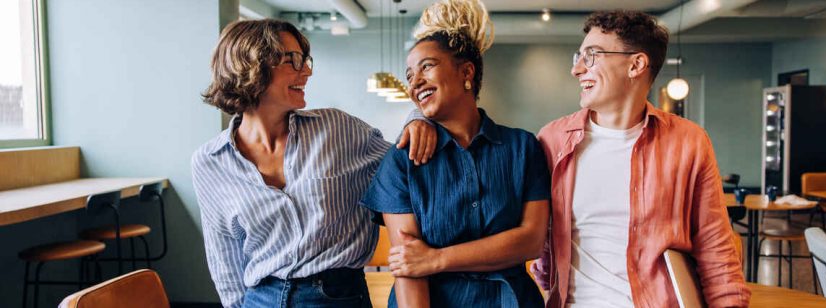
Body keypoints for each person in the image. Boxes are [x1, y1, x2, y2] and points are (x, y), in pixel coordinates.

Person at [191, 19, 436, 307]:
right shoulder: (209, 162)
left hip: (337, 296)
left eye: (305, 60)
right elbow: (225, 263)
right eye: (292, 60)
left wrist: (417, 118)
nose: (306, 71)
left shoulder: (338, 129)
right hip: (261, 299)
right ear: (251, 65)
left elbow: (405, 165)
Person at [529, 10, 751, 307]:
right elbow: (544, 248)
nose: (577, 69)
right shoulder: (553, 140)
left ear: (636, 64)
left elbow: (717, 252)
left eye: (592, 56)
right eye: (578, 57)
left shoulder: (689, 142)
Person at [361, 1, 550, 307]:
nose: (415, 82)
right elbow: (408, 265)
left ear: (466, 72)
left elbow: (530, 240)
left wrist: (436, 259)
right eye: (409, 75)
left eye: (427, 66)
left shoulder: (522, 148)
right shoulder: (401, 160)